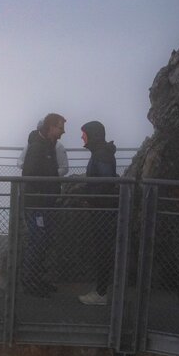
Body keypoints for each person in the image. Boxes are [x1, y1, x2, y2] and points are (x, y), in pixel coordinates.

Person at [21, 113, 66, 297]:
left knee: (43, 240)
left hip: (45, 202)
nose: (63, 131)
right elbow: (29, 174)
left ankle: (37, 279)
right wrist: (44, 190)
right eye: (61, 127)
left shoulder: (48, 146)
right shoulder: (38, 148)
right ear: (51, 127)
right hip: (37, 203)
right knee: (37, 240)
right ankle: (30, 281)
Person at [77, 121, 118, 305]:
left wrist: (88, 195)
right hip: (103, 209)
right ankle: (102, 291)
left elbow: (105, 181)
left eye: (84, 133)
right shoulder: (102, 152)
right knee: (103, 250)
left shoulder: (101, 154)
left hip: (102, 210)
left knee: (102, 251)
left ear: (92, 135)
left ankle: (101, 294)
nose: (82, 137)